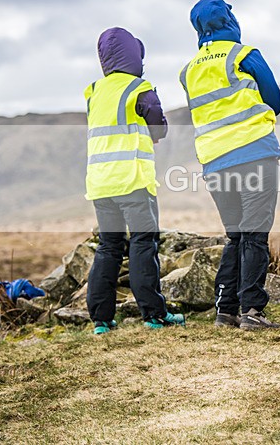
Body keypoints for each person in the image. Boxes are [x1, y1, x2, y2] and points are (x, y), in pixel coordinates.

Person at [180, 0, 280, 331]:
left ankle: (225, 310)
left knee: (236, 236)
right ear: (228, 19)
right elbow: (275, 100)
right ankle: (253, 311)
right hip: (254, 153)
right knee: (254, 235)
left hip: (214, 163)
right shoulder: (244, 55)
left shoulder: (189, 71)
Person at [85, 27, 184, 334]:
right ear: (134, 55)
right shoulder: (139, 88)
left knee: (109, 246)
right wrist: (157, 131)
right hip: (132, 180)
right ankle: (154, 315)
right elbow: (157, 124)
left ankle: (101, 320)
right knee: (143, 243)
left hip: (100, 183)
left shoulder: (94, 91)